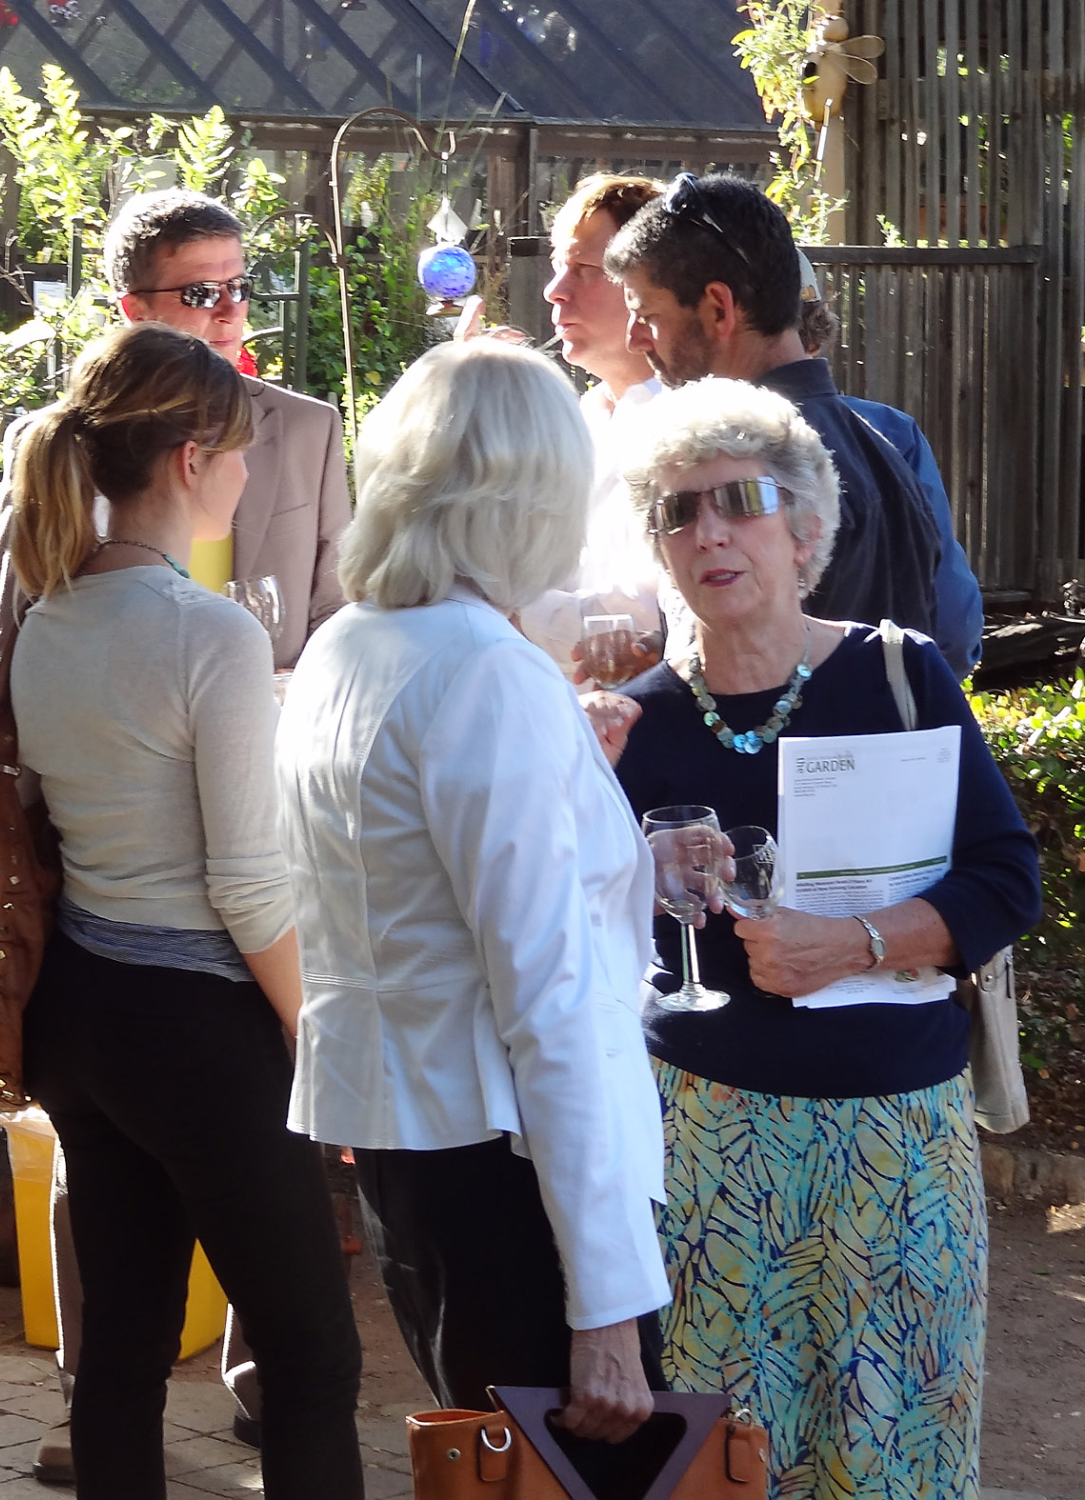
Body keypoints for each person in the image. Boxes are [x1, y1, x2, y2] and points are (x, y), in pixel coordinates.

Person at [608, 377, 1040, 1497]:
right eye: (676, 511)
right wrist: (631, 875)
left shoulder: (898, 677)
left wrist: (852, 944)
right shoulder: (633, 722)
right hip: (707, 1146)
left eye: (738, 501)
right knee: (729, 1460)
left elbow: (1005, 880)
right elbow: (578, 936)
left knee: (893, 1455)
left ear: (804, 529)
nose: (707, 531)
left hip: (895, 1146)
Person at [0, 187, 352, 1482]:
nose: (250, 474)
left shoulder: (48, 614)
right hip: (199, 1026)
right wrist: (318, 1038)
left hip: (82, 1012)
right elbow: (249, 886)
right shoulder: (210, 636)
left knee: (124, 1350)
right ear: (190, 460)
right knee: (313, 1355)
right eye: (237, 452)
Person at [274, 341, 669, 1459]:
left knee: (487, 1461)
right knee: (563, 1471)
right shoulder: (484, 668)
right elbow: (548, 1000)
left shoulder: (347, 644)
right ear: (529, 494)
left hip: (411, 1142)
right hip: (509, 1163)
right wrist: (606, 1303)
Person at [0, 188, 349, 669]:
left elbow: (334, 612)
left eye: (239, 287)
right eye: (201, 293)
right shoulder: (60, 435)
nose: (230, 310)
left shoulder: (308, 428)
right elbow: (12, 626)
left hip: (265, 703)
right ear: (135, 310)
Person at [605, 172, 942, 639]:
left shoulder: (764, 463)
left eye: (647, 315)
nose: (634, 339)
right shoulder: (880, 449)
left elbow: (763, 666)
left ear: (718, 308)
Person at [797, 252, 984, 677]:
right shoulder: (891, 433)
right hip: (895, 693)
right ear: (818, 330)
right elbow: (954, 626)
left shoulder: (690, 444)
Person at [518, 173, 670, 680]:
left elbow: (646, 617)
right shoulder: (574, 422)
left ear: (646, 287)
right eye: (557, 267)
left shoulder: (691, 434)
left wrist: (501, 609)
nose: (553, 291)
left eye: (584, 270)